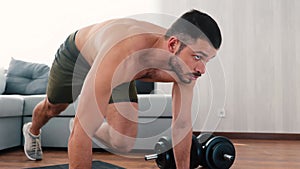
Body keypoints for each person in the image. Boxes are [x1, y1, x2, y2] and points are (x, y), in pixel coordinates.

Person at [22, 9, 222, 169]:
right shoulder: (123, 54)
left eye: (208, 60)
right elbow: (81, 135)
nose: (202, 69)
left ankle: (80, 120)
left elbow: (181, 126)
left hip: (120, 70)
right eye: (198, 57)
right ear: (173, 45)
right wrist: (83, 128)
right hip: (78, 55)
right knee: (54, 107)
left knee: (122, 142)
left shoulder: (187, 70)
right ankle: (33, 130)